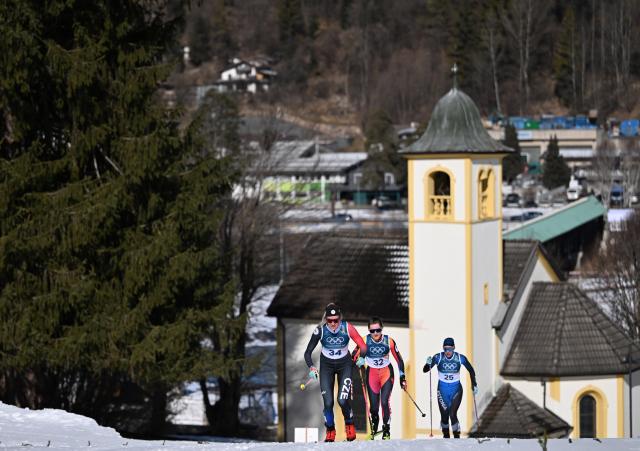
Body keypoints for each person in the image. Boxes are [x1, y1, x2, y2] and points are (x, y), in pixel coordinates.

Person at [304, 303, 367, 442]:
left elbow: (363, 346)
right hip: (326, 366)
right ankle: (330, 429)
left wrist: (361, 357)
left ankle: (349, 423)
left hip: (345, 365)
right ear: (325, 319)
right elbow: (307, 353)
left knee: (342, 400)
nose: (333, 323)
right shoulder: (319, 330)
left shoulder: (347, 327)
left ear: (340, 318)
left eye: (336, 320)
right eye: (330, 320)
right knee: (328, 403)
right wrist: (312, 368)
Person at [352, 317, 406, 440]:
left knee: (384, 402)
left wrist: (402, 377)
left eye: (378, 330)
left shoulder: (389, 341)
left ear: (381, 329)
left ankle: (386, 429)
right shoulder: (364, 340)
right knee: (374, 407)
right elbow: (353, 355)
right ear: (369, 331)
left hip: (386, 373)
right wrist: (358, 360)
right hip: (372, 374)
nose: (375, 333)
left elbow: (399, 360)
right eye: (372, 331)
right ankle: (375, 426)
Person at [422, 337, 477, 438]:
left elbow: (471, 370)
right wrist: (427, 363)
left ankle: (456, 435)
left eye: (450, 349)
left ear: (454, 348)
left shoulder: (460, 358)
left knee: (452, 413)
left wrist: (474, 384)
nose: (447, 352)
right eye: (445, 349)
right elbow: (425, 370)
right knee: (444, 416)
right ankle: (446, 436)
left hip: (456, 390)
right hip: (442, 390)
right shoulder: (438, 357)